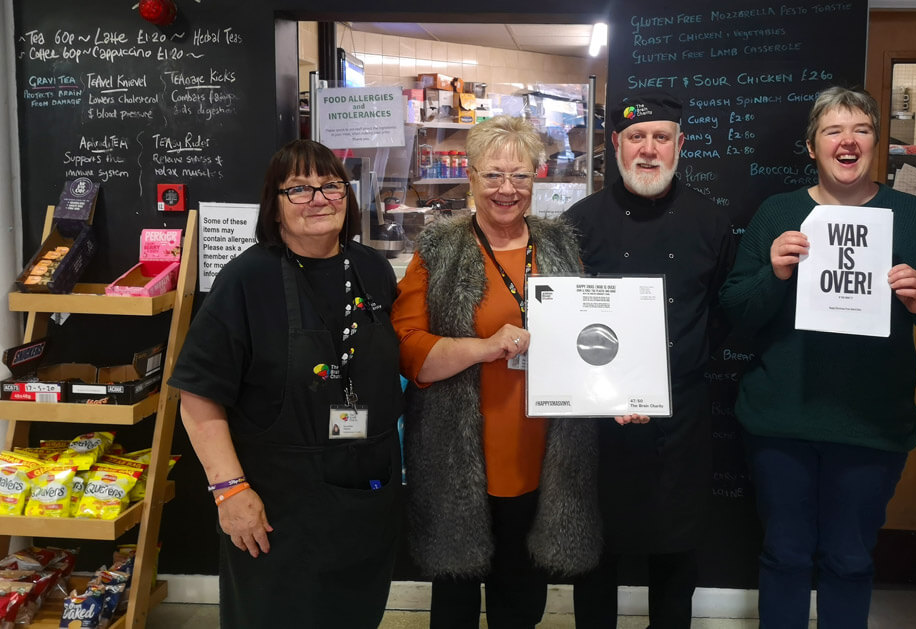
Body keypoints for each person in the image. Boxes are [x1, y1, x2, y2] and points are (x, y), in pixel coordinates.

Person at [719, 86, 916, 628]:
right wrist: (776, 273)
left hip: (872, 425)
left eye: (860, 130)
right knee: (784, 554)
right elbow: (737, 309)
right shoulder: (779, 213)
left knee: (850, 559)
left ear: (876, 143)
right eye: (833, 130)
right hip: (781, 419)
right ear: (812, 146)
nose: (847, 141)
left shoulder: (913, 217)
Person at [169, 139, 404, 627]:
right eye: (298, 189)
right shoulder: (245, 281)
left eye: (330, 185)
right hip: (279, 508)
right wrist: (229, 492)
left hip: (365, 497)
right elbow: (197, 394)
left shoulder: (372, 270)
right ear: (274, 207)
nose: (319, 199)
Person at [391, 115, 601, 628]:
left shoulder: (560, 247)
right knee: (456, 603)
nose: (507, 189)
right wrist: (482, 347)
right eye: (494, 175)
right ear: (472, 176)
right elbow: (409, 348)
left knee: (521, 598)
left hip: (541, 453)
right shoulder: (438, 250)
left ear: (537, 177)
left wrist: (618, 393)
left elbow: (588, 339)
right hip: (458, 455)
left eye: (520, 175)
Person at [563, 91, 735, 628]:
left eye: (661, 137)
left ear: (680, 145)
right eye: (636, 137)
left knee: (676, 557)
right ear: (616, 145)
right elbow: (564, 321)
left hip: (679, 419)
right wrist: (608, 391)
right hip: (597, 420)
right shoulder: (579, 221)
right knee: (595, 557)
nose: (648, 149)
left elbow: (723, 313)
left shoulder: (711, 221)